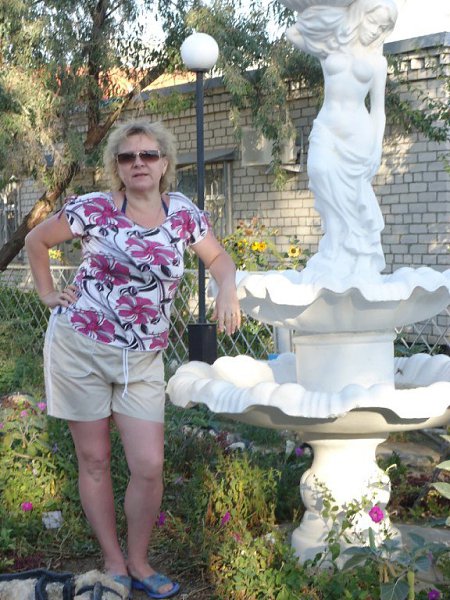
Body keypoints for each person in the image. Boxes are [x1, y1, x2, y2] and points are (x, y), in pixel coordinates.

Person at [25, 119, 241, 599]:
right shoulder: (93, 208)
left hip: (143, 358)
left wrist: (227, 285)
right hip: (80, 346)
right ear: (117, 167)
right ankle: (114, 561)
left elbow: (218, 259)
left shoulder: (182, 214)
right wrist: (46, 292)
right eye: (127, 157)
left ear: (164, 164)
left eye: (148, 155)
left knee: (148, 465)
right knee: (94, 458)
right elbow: (36, 240)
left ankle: (140, 560)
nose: (138, 163)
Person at [282, 0, 398, 279]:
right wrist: (331, 15)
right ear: (361, 14)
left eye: (382, 27)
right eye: (373, 21)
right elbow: (292, 34)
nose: (375, 30)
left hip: (359, 136)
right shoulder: (332, 46)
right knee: (320, 174)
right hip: (327, 128)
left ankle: (350, 255)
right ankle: (334, 245)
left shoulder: (377, 62)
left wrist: (377, 148)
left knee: (354, 197)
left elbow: (378, 111)